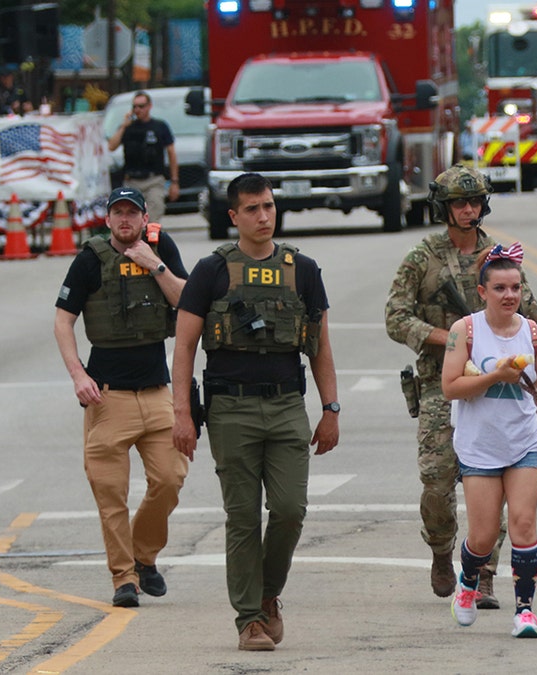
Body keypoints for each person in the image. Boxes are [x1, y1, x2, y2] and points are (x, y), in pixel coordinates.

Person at [170, 172, 340, 651]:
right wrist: (181, 413)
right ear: (233, 216)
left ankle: (268, 595)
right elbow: (183, 348)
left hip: (287, 404)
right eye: (252, 209)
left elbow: (320, 346)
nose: (263, 216)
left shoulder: (303, 269)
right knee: (242, 516)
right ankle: (249, 619)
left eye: (268, 206)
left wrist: (331, 408)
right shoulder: (211, 270)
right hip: (230, 408)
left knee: (289, 510)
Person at [385, 165, 537, 608]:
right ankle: (440, 549)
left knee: (501, 474)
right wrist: (452, 340)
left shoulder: (498, 258)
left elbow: (531, 317)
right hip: (442, 383)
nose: (468, 209)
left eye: (473, 201)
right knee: (437, 481)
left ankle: (486, 571)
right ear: (444, 208)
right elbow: (396, 317)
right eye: (458, 202)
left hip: (500, 388)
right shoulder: (423, 256)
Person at [52, 186, 190, 608]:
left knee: (170, 479)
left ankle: (143, 556)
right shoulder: (90, 259)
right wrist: (78, 375)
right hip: (106, 398)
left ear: (144, 217)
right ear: (108, 220)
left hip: (156, 392)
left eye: (133, 213)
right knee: (110, 491)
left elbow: (189, 303)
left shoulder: (159, 246)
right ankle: (124, 579)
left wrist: (156, 265)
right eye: (118, 213)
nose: (125, 219)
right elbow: (62, 321)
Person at [441, 244, 537, 639]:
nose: (509, 295)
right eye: (499, 288)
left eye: (515, 287)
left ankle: (525, 611)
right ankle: (467, 581)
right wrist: (495, 377)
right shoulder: (466, 330)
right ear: (483, 292)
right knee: (482, 535)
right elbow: (450, 387)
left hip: (523, 441)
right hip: (479, 445)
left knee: (524, 525)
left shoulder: (533, 333)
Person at [107, 90, 180, 223]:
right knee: (132, 218)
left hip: (154, 179)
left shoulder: (160, 126)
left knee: (153, 214)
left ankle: (150, 241)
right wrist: (124, 126)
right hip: (132, 180)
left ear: (149, 106)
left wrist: (174, 182)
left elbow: (171, 154)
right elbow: (111, 146)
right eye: (134, 107)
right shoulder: (128, 128)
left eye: (141, 106)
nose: (137, 110)